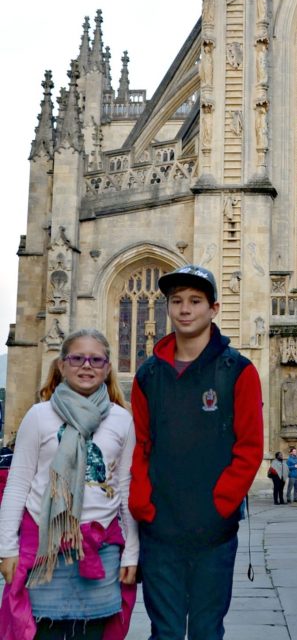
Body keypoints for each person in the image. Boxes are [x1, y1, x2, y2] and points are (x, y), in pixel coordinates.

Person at [129, 264, 263, 640]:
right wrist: (144, 506)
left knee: (206, 630)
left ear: (214, 309)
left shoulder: (238, 371)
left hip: (214, 530)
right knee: (165, 632)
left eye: (195, 301)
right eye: (177, 301)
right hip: (161, 528)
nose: (185, 309)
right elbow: (139, 446)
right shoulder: (148, 375)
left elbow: (250, 447)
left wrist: (221, 503)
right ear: (168, 308)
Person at [0, 329, 138, 640]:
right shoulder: (39, 416)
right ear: (62, 365)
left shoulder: (121, 420)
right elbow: (18, 484)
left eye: (96, 359)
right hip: (43, 549)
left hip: (100, 549)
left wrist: (132, 553)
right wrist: (6, 548)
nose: (86, 365)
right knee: (41, 631)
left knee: (94, 632)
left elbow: (126, 490)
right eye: (77, 358)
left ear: (107, 367)